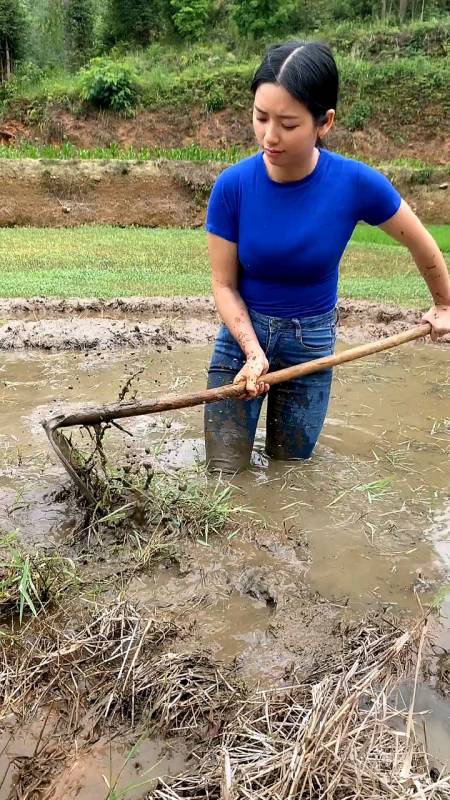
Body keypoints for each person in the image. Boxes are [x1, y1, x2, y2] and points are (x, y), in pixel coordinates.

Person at [204, 40, 450, 473]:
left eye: (287, 123)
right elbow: (223, 284)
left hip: (311, 345)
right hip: (241, 338)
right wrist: (252, 350)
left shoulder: (354, 184)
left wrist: (444, 304)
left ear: (324, 122)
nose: (269, 136)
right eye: (261, 117)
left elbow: (420, 242)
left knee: (292, 471)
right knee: (223, 471)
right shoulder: (233, 187)